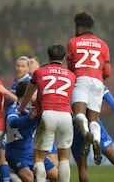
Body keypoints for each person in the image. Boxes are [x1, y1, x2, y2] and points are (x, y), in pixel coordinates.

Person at [18, 44, 76, 182]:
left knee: (38, 158)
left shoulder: (39, 72)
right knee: (64, 159)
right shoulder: (72, 75)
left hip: (48, 114)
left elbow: (28, 94)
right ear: (64, 58)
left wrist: (21, 107)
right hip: (66, 115)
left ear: (48, 57)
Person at [67, 11, 111, 165]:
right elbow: (108, 71)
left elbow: (71, 67)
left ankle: (86, 134)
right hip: (98, 82)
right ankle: (96, 140)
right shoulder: (103, 44)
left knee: (79, 115)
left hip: (81, 78)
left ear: (79, 27)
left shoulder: (73, 42)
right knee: (94, 121)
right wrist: (99, 79)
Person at [71, 87, 114, 182]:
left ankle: (87, 133)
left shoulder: (73, 82)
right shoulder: (98, 83)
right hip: (95, 123)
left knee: (82, 169)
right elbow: (113, 103)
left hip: (77, 126)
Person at [5, 81, 58, 182]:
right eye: (34, 92)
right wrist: (28, 118)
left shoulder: (33, 109)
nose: (37, 94)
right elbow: (12, 122)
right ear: (27, 94)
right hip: (16, 154)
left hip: (33, 153)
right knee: (29, 178)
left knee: (57, 176)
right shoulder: (14, 109)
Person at [0, 56, 32, 182]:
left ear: (28, 68)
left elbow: (24, 102)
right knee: (1, 155)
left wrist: (4, 91)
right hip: (11, 121)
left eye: (22, 66)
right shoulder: (16, 80)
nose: (19, 68)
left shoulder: (28, 82)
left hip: (19, 124)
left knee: (2, 156)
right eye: (17, 65)